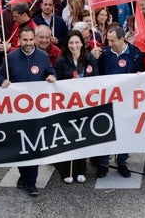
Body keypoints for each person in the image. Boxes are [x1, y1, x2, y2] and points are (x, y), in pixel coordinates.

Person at [0, 26, 56, 196]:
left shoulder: (43, 57)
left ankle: (31, 182)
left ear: (34, 40)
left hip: (36, 112)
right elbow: (0, 76)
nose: (28, 43)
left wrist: (52, 77)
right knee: (20, 147)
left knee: (34, 146)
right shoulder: (11, 57)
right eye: (25, 40)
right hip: (16, 112)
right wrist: (3, 81)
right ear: (19, 40)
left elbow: (51, 72)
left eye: (31, 40)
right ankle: (24, 176)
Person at [95, 25, 144, 179]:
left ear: (122, 39)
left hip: (126, 100)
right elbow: (99, 74)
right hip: (107, 99)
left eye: (112, 40)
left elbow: (141, 75)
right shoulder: (105, 53)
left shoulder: (135, 53)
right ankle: (103, 163)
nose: (109, 43)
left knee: (125, 131)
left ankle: (122, 162)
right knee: (105, 131)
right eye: (108, 40)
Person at [53, 30, 98, 183]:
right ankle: (66, 170)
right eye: (71, 43)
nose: (74, 46)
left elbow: (97, 79)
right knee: (68, 137)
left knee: (82, 136)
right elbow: (56, 80)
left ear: (82, 43)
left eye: (77, 42)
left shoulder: (90, 58)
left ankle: (80, 169)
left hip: (85, 104)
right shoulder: (61, 61)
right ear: (67, 44)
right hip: (67, 105)